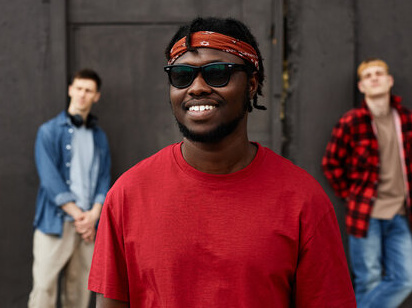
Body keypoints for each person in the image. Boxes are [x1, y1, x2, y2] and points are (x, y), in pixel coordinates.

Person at [88, 17, 356, 307]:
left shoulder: (304, 201)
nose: (197, 87)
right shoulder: (127, 195)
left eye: (218, 73)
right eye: (181, 75)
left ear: (252, 84)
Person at [322, 58, 412, 307]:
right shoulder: (352, 122)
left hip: (400, 212)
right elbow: (331, 163)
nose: (374, 78)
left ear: (389, 80)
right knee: (368, 280)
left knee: (405, 279)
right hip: (365, 213)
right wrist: (350, 195)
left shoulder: (405, 120)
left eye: (379, 73)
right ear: (362, 87)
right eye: (368, 75)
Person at [28, 69, 111, 308]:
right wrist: (79, 216)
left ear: (96, 96)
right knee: (43, 290)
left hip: (88, 229)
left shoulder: (99, 137)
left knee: (79, 294)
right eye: (79, 88)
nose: (82, 95)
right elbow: (50, 179)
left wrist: (93, 216)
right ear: (70, 90)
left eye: (88, 90)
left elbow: (104, 178)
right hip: (55, 223)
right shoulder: (49, 131)